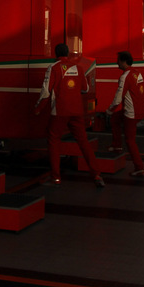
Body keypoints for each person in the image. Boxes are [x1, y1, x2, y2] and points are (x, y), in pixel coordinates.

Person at [37, 43, 104, 187]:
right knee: (83, 142)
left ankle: (56, 177)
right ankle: (97, 174)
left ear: (55, 54)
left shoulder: (53, 67)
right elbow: (85, 89)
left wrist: (38, 108)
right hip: (76, 111)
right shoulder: (78, 68)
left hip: (60, 111)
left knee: (54, 140)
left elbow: (46, 92)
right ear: (67, 54)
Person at [106, 50, 144, 176]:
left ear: (123, 61)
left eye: (118, 60)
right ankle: (117, 145)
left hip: (131, 113)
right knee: (115, 118)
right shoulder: (137, 73)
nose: (116, 62)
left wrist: (109, 110)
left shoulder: (125, 77)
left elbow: (118, 97)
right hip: (139, 110)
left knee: (130, 141)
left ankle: (139, 167)